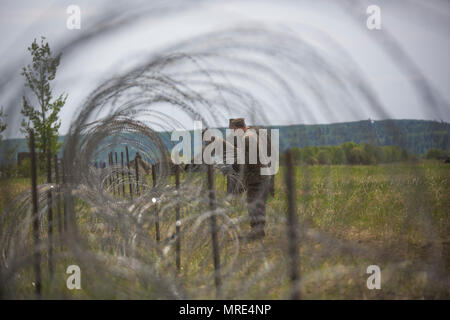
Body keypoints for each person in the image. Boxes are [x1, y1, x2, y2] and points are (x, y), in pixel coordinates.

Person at [226, 118, 269, 239]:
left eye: (233, 131)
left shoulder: (247, 139)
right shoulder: (250, 135)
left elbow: (246, 161)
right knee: (256, 204)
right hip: (259, 175)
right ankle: (257, 230)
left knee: (254, 204)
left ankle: (257, 232)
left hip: (257, 177)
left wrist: (232, 166)